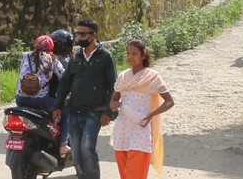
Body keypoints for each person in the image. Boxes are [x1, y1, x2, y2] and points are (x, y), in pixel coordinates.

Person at [53, 18, 117, 179]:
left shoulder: (105, 57)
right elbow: (65, 83)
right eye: (77, 34)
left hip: (95, 112)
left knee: (86, 148)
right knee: (75, 150)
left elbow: (113, 85)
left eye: (82, 34)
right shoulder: (76, 58)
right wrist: (57, 106)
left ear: (94, 35)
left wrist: (109, 111)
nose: (79, 37)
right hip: (75, 110)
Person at [111, 40, 175, 179]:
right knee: (125, 174)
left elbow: (169, 101)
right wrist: (114, 104)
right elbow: (114, 99)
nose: (130, 57)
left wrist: (151, 115)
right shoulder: (123, 76)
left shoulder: (152, 76)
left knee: (136, 174)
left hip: (141, 127)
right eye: (128, 53)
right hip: (122, 129)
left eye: (134, 53)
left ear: (143, 55)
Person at [15, 35, 63, 112]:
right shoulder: (52, 59)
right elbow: (63, 77)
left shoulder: (26, 55)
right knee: (62, 108)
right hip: (41, 100)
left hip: (20, 99)